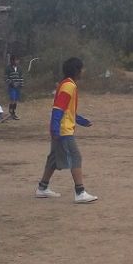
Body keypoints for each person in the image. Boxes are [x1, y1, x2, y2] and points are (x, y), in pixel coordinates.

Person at [35, 57, 98, 203]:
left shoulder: (66, 84)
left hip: (61, 128)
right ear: (77, 70)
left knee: (53, 159)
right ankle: (80, 192)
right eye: (82, 68)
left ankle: (42, 188)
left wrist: (81, 121)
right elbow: (58, 109)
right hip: (63, 130)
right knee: (75, 157)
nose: (84, 71)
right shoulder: (69, 86)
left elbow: (67, 110)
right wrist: (55, 129)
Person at [4, 55, 23, 120]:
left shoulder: (19, 68)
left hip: (18, 87)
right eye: (16, 60)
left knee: (16, 100)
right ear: (12, 61)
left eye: (18, 60)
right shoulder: (8, 68)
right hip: (11, 86)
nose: (17, 61)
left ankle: (13, 112)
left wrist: (20, 84)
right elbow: (6, 78)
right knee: (12, 99)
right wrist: (12, 83)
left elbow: (21, 77)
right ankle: (11, 112)